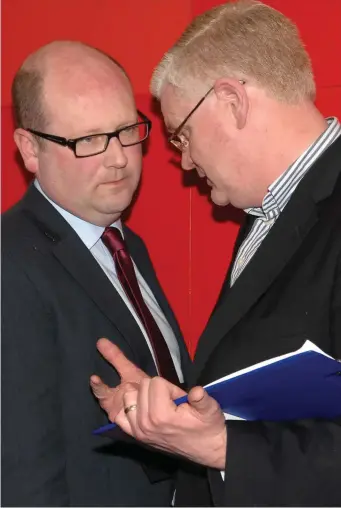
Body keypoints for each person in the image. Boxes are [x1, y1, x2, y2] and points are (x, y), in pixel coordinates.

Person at [90, 1, 341, 506]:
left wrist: (222, 446)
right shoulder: (266, 211)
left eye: (182, 134)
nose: (183, 161)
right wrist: (175, 407)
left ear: (231, 101)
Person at [1, 40, 191, 507]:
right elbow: (23, 470)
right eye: (87, 140)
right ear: (30, 149)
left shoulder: (125, 245)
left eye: (126, 130)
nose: (119, 158)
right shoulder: (10, 261)